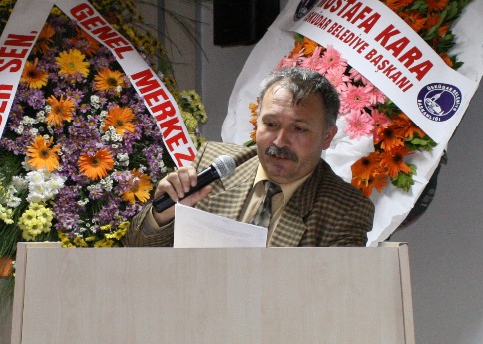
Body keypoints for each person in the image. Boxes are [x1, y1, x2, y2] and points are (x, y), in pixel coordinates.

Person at [125, 66, 373, 247]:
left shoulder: (346, 209)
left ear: (327, 136)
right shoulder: (213, 164)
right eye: (271, 124)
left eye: (298, 129)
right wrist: (163, 216)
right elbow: (137, 248)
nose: (279, 142)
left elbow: (335, 291)